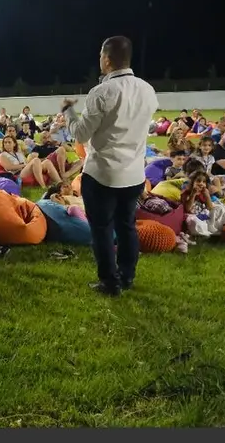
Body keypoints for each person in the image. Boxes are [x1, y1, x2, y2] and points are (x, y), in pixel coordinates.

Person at [62, 36, 158, 296]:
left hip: (103, 173)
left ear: (106, 59)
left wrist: (68, 113)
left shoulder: (102, 92)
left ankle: (110, 281)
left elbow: (81, 134)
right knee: (126, 225)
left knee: (102, 229)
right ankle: (127, 276)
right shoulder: (147, 89)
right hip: (135, 173)